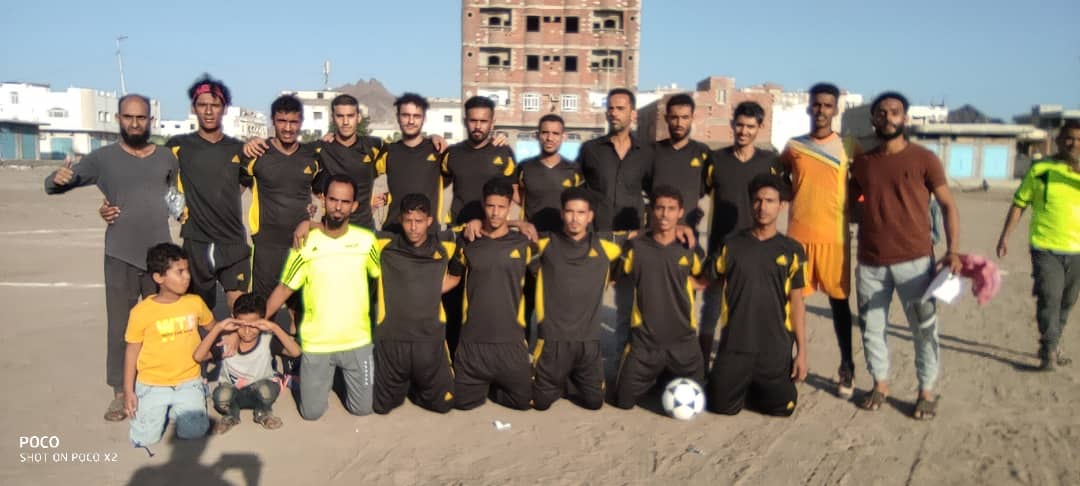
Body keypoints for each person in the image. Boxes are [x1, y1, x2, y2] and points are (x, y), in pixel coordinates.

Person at [44, 93, 178, 422]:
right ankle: (120, 392)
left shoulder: (166, 158)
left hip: (161, 256)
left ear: (150, 121)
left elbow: (174, 197)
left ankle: (162, 384)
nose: (135, 123)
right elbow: (60, 182)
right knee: (121, 326)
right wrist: (56, 180)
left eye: (141, 117)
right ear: (118, 119)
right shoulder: (103, 159)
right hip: (121, 252)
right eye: (128, 117)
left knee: (163, 324)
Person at [849, 91, 962, 420]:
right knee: (872, 328)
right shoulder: (862, 163)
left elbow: (948, 205)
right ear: (873, 119)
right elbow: (850, 205)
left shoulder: (924, 159)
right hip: (870, 263)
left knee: (924, 330)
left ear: (905, 118)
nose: (888, 118)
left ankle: (926, 391)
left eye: (895, 112)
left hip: (915, 262)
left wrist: (952, 250)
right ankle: (880, 385)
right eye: (881, 113)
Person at [263, 174, 381, 420]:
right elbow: (284, 289)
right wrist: (256, 321)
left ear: (354, 206)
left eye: (345, 202)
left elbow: (378, 279)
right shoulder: (305, 243)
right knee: (311, 413)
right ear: (323, 199)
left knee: (362, 409)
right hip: (318, 343)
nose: (338, 206)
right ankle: (302, 372)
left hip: (357, 341)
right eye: (333, 199)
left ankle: (340, 374)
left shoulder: (366, 241)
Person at [779, 82, 861, 399]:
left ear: (836, 109)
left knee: (839, 304)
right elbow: (778, 180)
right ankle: (789, 363)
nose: (821, 110)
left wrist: (858, 208)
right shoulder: (794, 147)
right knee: (792, 303)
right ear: (808, 107)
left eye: (827, 105)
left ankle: (847, 366)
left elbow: (866, 185)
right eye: (816, 104)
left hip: (834, 239)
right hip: (798, 237)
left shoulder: (849, 146)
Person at [705, 174, 807, 417]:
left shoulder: (792, 250)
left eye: (770, 201)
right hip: (736, 344)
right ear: (751, 203)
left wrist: (802, 352)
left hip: (775, 347)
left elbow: (797, 303)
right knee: (720, 407)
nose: (763, 207)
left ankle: (756, 386)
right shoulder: (730, 245)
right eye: (758, 200)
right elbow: (700, 281)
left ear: (781, 205)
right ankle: (740, 383)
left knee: (782, 409)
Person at [699, 101, 783, 363]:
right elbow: (699, 192)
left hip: (755, 248)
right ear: (732, 125)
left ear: (760, 127)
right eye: (739, 125)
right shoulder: (716, 159)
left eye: (750, 126)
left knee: (748, 308)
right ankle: (702, 361)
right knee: (711, 307)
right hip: (720, 245)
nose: (744, 131)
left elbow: (780, 198)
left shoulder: (769, 162)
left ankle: (741, 362)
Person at [443, 178, 534, 410]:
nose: (495, 212)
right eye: (490, 206)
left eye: (501, 207)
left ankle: (496, 383)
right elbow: (452, 278)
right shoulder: (467, 240)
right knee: (461, 404)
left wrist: (517, 223)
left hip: (511, 342)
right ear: (483, 204)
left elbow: (549, 277)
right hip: (473, 343)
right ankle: (483, 382)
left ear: (510, 207)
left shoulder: (523, 243)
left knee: (523, 403)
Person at [441, 96, 522, 355]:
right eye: (473, 120)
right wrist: (433, 140)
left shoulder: (503, 153)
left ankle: (500, 358)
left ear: (492, 122)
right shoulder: (452, 154)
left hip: (491, 239)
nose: (478, 126)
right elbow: (433, 183)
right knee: (453, 302)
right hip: (459, 236)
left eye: (483, 121)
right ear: (465, 120)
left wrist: (518, 222)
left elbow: (518, 195)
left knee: (491, 303)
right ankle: (455, 360)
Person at [996, 120, 1080, 370]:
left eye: (1079, 139)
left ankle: (1053, 343)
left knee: (1067, 302)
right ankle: (1049, 350)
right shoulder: (1041, 169)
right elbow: (1020, 203)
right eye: (1069, 138)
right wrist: (1005, 236)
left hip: (1078, 250)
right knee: (1049, 297)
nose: (1073, 143)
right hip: (1045, 246)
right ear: (1058, 140)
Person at [613, 186, 706, 410]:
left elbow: (707, 277)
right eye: (660, 208)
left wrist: (691, 282)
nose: (665, 214)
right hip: (645, 344)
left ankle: (665, 377)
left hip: (683, 343)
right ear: (651, 210)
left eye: (671, 209)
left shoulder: (689, 248)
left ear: (680, 212)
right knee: (623, 402)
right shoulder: (635, 247)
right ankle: (657, 377)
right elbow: (612, 275)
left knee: (699, 400)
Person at [530, 187, 621, 410]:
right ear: (562, 213)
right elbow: (504, 236)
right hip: (553, 340)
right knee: (540, 403)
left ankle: (569, 378)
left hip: (587, 342)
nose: (574, 218)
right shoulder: (544, 242)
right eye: (570, 212)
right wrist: (518, 223)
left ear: (590, 216)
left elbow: (642, 236)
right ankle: (560, 378)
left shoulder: (606, 245)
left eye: (581, 213)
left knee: (594, 403)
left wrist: (681, 228)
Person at [167, 74, 251, 312]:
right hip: (196, 241)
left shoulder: (239, 149)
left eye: (215, 105)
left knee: (240, 307)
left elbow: (248, 182)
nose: (208, 111)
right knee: (199, 310)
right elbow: (159, 180)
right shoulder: (178, 146)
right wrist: (175, 207)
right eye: (202, 105)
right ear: (193, 108)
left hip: (233, 241)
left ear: (225, 108)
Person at [371, 193, 457, 414]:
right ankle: (405, 381)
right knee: (381, 407)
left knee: (444, 405)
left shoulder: (445, 245)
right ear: (400, 220)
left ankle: (417, 384)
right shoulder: (384, 243)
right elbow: (348, 230)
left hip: (429, 340)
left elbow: (457, 273)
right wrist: (309, 224)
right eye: (408, 220)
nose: (413, 227)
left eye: (419, 221)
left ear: (429, 221)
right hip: (392, 340)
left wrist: (431, 289)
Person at [123, 243, 214, 447]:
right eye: (179, 272)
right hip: (152, 384)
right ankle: (164, 408)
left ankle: (185, 401)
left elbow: (213, 328)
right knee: (144, 439)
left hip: (188, 381)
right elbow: (132, 350)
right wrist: (129, 391)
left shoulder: (195, 302)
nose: (187, 276)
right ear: (158, 278)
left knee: (194, 432)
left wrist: (225, 340)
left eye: (187, 270)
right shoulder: (141, 312)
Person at [243, 95, 319, 330]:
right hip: (267, 246)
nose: (288, 128)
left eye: (293, 122)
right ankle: (264, 351)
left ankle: (295, 352)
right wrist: (245, 145)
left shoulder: (312, 156)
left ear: (301, 122)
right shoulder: (257, 154)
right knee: (265, 309)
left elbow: (325, 193)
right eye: (282, 121)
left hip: (301, 244)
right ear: (273, 121)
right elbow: (230, 188)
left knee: (300, 309)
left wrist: (313, 215)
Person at [516, 113, 583, 345]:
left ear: (563, 137)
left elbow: (580, 206)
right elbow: (515, 193)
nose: (550, 138)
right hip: (531, 245)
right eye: (545, 132)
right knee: (526, 303)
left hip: (561, 247)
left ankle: (552, 354)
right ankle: (522, 352)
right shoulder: (525, 168)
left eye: (555, 133)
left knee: (556, 306)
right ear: (538, 135)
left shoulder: (574, 170)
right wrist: (522, 221)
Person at [194, 293, 301, 433]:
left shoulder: (267, 340)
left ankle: (263, 412)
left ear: (262, 321)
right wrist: (218, 328)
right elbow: (199, 357)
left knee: (266, 390)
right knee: (220, 396)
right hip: (233, 392)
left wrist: (275, 328)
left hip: (260, 390)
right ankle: (231, 415)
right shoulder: (227, 341)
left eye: (253, 326)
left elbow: (296, 352)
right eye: (242, 325)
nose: (247, 331)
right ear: (233, 319)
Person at [378, 93, 450, 232]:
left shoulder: (438, 151)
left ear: (424, 118)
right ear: (397, 117)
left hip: (428, 234)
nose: (411, 121)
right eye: (406, 115)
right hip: (394, 232)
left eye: (416, 116)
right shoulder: (388, 152)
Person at [650, 93, 711, 230]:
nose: (679, 123)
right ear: (666, 118)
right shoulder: (652, 152)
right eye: (674, 117)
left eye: (685, 117)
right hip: (656, 231)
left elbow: (707, 189)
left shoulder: (703, 152)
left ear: (692, 118)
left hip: (688, 231)